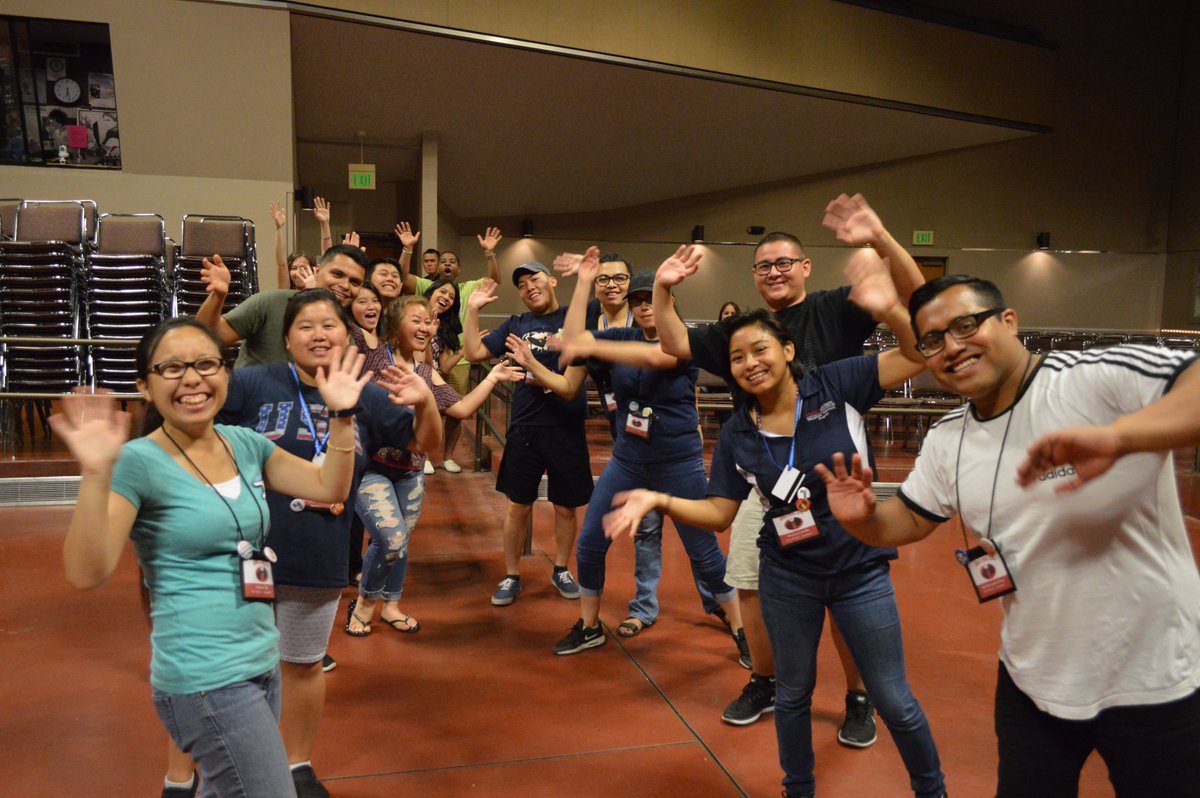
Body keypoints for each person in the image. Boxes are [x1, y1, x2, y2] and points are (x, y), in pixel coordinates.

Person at [818, 274, 1200, 798]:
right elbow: (907, 518)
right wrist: (859, 518)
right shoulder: (950, 437)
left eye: (966, 326)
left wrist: (1118, 437)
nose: (952, 347)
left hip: (1154, 679)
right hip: (1032, 680)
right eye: (932, 340)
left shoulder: (1087, 379)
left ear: (1009, 321)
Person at [605, 263, 946, 797]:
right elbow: (719, 512)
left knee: (895, 699)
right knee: (792, 694)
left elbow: (915, 354)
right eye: (737, 357)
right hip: (788, 574)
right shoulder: (741, 432)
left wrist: (887, 308)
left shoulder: (837, 382)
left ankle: (933, 790)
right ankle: (798, 789)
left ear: (787, 351)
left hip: (860, 569)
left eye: (760, 349)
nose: (748, 363)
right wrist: (659, 499)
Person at [52, 316, 370, 797]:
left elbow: (330, 486)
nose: (193, 379)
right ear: (145, 385)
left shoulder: (243, 443)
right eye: (172, 368)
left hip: (261, 658)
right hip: (204, 676)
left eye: (206, 363)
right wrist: (96, 472)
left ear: (226, 372)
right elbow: (85, 571)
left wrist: (342, 415)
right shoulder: (139, 461)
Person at [654, 192, 923, 735]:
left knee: (846, 599)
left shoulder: (832, 308)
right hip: (766, 483)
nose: (773, 272)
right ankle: (766, 681)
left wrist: (879, 238)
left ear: (804, 267)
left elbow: (918, 304)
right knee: (750, 585)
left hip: (838, 480)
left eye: (783, 263)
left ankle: (857, 697)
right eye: (763, 266)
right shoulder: (739, 332)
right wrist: (663, 290)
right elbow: (675, 339)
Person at [217, 289, 441, 798]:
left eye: (329, 325)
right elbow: (199, 437)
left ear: (348, 335)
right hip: (245, 550)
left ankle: (296, 764)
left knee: (302, 663)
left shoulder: (368, 393)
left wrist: (428, 400)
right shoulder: (251, 382)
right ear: (286, 338)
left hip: (318, 547)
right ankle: (234, 760)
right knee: (234, 666)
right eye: (305, 326)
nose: (318, 334)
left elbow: (426, 444)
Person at [525, 252, 743, 655]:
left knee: (703, 551)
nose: (644, 306)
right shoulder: (622, 336)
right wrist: (584, 283)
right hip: (627, 461)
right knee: (590, 542)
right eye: (638, 300)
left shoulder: (685, 340)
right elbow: (574, 340)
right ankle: (590, 625)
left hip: (678, 462)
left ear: (668, 302)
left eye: (651, 299)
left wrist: (598, 347)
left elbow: (654, 356)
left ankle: (740, 626)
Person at [345, 295, 525, 635]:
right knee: (391, 538)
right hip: (371, 466)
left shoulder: (426, 373)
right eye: (416, 320)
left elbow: (459, 409)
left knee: (400, 541)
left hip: (410, 471)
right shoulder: (371, 361)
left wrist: (492, 377)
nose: (425, 327)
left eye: (428, 321)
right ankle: (366, 602)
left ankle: (392, 605)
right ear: (395, 325)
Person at [463, 267, 591, 606]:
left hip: (566, 427)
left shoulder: (573, 319)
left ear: (552, 281)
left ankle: (562, 568)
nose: (528, 288)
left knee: (566, 506)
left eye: (535, 280)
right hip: (525, 426)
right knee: (517, 505)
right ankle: (511, 574)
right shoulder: (515, 323)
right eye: (521, 285)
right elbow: (474, 352)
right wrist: (472, 310)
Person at [395, 223, 503, 472]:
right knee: (423, 408)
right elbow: (402, 277)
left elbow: (495, 280)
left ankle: (447, 457)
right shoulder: (424, 287)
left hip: (456, 358)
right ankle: (421, 454)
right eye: (442, 260)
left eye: (452, 261)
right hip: (419, 363)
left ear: (459, 268)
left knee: (455, 410)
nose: (447, 264)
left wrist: (489, 254)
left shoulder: (466, 289)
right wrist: (407, 249)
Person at [196, 244, 367, 367]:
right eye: (337, 274)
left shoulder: (344, 338)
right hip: (249, 412)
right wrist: (217, 296)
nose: (345, 285)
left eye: (354, 282)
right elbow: (206, 336)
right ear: (317, 271)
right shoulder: (271, 303)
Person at [270, 197, 332, 290]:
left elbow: (328, 259)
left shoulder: (319, 290)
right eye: (294, 268)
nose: (298, 272)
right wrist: (279, 228)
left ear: (313, 269)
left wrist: (325, 224)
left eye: (304, 267)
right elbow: (281, 264)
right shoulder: (285, 289)